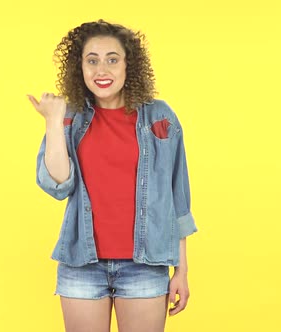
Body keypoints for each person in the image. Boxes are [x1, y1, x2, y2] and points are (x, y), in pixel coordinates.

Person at [27, 19, 197, 332]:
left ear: (128, 64)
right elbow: (58, 184)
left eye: (112, 59)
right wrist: (52, 122)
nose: (101, 70)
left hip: (146, 266)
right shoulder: (69, 116)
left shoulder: (160, 116)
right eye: (92, 60)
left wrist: (181, 271)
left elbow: (178, 199)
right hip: (81, 265)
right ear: (79, 67)